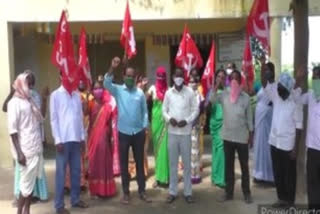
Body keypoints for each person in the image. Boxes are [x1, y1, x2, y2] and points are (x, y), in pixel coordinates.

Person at [104, 57, 151, 204]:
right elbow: (106, 83)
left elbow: (144, 111)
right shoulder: (118, 90)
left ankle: (142, 191)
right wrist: (112, 67)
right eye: (127, 76)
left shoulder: (140, 93)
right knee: (124, 164)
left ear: (135, 77)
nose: (130, 78)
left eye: (132, 76)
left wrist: (145, 127)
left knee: (139, 162)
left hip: (138, 133)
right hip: (123, 133)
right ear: (124, 76)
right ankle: (126, 193)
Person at [3, 74, 50, 204]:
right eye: (28, 83)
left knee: (35, 173)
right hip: (23, 146)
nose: (30, 87)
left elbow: (41, 118)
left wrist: (45, 99)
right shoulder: (14, 100)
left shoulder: (32, 97)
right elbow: (5, 111)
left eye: (32, 84)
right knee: (24, 177)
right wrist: (19, 152)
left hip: (34, 143)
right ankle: (21, 200)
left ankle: (34, 197)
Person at [210, 70, 254, 204]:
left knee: (244, 166)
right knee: (228, 167)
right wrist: (216, 85)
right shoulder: (224, 95)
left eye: (237, 79)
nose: (234, 82)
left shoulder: (245, 97)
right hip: (227, 137)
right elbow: (212, 100)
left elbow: (249, 118)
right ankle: (229, 193)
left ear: (240, 82)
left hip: (241, 137)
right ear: (230, 81)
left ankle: (246, 193)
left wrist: (251, 135)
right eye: (232, 79)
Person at [261, 71, 303, 208]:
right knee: (278, 172)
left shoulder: (296, 102)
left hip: (288, 145)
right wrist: (262, 67)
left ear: (288, 89)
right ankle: (281, 199)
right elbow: (265, 85)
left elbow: (299, 126)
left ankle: (290, 202)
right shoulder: (276, 96)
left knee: (289, 175)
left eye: (281, 90)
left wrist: (296, 148)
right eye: (278, 89)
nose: (278, 92)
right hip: (274, 142)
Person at [50, 73, 89, 214]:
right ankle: (59, 205)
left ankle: (75, 199)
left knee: (76, 171)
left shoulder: (77, 95)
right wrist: (57, 139)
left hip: (76, 139)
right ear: (61, 77)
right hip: (63, 141)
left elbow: (79, 118)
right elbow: (54, 119)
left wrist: (82, 138)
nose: (71, 78)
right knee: (61, 173)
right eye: (67, 75)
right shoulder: (55, 95)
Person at [163, 68, 199, 204]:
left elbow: (196, 109)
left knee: (187, 164)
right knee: (173, 164)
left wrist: (188, 120)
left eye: (181, 75)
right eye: (176, 75)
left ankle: (188, 192)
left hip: (185, 133)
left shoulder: (189, 92)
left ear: (184, 77)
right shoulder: (168, 93)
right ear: (173, 77)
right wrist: (169, 118)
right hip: (172, 133)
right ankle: (172, 192)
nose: (179, 77)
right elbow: (163, 110)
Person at [86, 81, 119, 198]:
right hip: (93, 138)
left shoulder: (107, 105)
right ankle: (95, 190)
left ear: (103, 90)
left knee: (104, 163)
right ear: (92, 91)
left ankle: (105, 190)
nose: (97, 90)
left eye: (99, 88)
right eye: (95, 89)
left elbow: (110, 123)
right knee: (94, 164)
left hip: (104, 138)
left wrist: (111, 138)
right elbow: (86, 117)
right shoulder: (90, 104)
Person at [294, 66, 320, 210]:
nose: (315, 80)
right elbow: (296, 98)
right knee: (312, 183)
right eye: (314, 77)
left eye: (318, 77)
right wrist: (298, 79)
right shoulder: (310, 95)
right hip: (312, 149)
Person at [64, 80, 91, 193]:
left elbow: (84, 114)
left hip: (79, 132)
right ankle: (67, 185)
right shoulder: (61, 95)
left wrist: (85, 104)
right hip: (65, 134)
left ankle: (80, 183)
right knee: (67, 162)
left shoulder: (79, 96)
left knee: (79, 160)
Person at [253, 60, 275, 184]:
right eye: (264, 70)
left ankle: (269, 176)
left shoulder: (274, 85)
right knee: (259, 145)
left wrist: (262, 65)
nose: (265, 72)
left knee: (267, 146)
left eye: (267, 70)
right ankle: (259, 174)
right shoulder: (260, 86)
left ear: (272, 72)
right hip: (259, 118)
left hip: (268, 118)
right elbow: (251, 91)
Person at [147, 66, 170, 187]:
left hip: (166, 122)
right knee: (156, 149)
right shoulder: (152, 89)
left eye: (163, 76)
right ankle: (158, 177)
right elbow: (146, 103)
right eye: (159, 75)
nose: (161, 78)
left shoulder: (169, 90)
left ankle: (165, 177)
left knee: (165, 149)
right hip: (156, 121)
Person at [209, 69, 226, 188]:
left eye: (223, 77)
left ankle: (219, 177)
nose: (220, 79)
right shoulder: (211, 91)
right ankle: (216, 177)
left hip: (224, 124)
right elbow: (208, 105)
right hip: (214, 123)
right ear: (215, 78)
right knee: (216, 149)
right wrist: (214, 90)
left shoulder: (227, 92)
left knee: (221, 149)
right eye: (218, 76)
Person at [188, 75, 204, 184]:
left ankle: (196, 175)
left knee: (195, 150)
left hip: (195, 126)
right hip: (186, 126)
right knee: (187, 151)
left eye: (195, 81)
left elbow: (201, 109)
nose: (193, 83)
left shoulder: (199, 95)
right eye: (191, 81)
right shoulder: (186, 95)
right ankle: (188, 174)